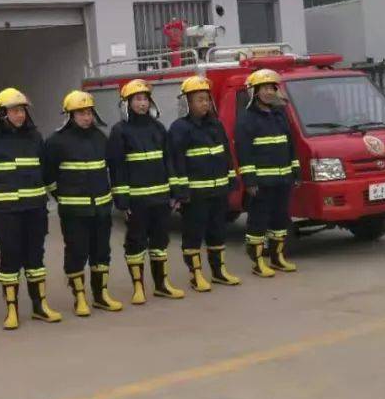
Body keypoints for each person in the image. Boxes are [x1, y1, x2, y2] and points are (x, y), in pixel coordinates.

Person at [0, 88, 60, 329]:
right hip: (7, 213)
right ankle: (12, 310)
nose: (20, 115)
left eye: (22, 110)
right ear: (2, 114)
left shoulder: (35, 137)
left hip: (35, 209)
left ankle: (40, 306)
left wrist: (57, 195)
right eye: (15, 111)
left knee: (36, 257)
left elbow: (46, 171)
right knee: (10, 258)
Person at [44, 91, 123, 316]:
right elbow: (48, 175)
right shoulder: (56, 141)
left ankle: (101, 296)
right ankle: (79, 297)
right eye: (81, 113)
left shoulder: (100, 138)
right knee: (76, 253)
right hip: (74, 211)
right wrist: (62, 197)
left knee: (101, 252)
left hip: (101, 209)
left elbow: (111, 168)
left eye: (89, 113)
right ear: (70, 115)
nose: (87, 117)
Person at [106, 79, 184, 303]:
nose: (142, 103)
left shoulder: (158, 128)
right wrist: (123, 201)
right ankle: (138, 287)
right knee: (136, 242)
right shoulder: (120, 131)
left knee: (160, 242)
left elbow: (169, 161)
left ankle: (161, 285)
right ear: (127, 103)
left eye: (145, 99)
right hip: (137, 200)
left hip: (160, 198)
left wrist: (175, 192)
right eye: (137, 99)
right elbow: (118, 168)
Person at [168, 77, 242, 292]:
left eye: (207, 99)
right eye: (199, 100)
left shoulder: (216, 124)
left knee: (217, 232)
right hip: (195, 195)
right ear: (187, 103)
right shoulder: (179, 128)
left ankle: (219, 272)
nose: (204, 103)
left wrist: (231, 178)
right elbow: (175, 161)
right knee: (193, 235)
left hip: (218, 192)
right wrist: (180, 192)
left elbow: (226, 154)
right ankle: (196, 274)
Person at [234, 69, 299, 277]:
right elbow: (244, 153)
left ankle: (278, 258)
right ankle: (258, 262)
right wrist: (250, 181)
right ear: (254, 92)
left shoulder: (280, 115)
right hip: (261, 183)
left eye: (272, 88)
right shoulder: (246, 119)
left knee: (281, 221)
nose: (269, 92)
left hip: (283, 180)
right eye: (264, 88)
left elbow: (290, 145)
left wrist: (295, 171)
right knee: (258, 223)